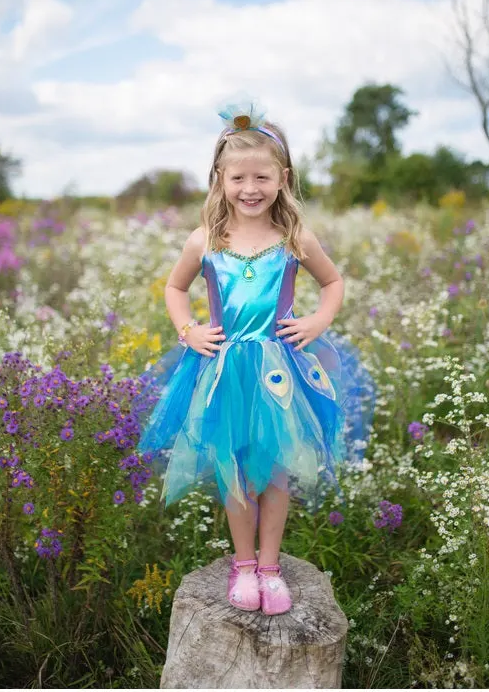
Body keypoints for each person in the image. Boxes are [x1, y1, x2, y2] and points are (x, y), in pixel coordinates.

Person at [135, 101, 375, 615]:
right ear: (219, 179)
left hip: (278, 372)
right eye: (238, 177)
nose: (251, 188)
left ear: (282, 178)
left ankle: (270, 567)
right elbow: (174, 289)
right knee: (234, 468)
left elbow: (333, 282)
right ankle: (243, 565)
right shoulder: (205, 240)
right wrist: (187, 329)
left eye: (262, 177)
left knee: (276, 471)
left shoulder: (293, 239)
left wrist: (316, 321)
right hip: (222, 369)